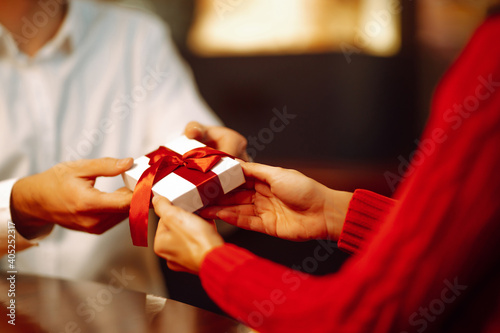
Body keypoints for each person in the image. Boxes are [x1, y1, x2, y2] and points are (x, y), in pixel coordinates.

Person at [152, 4, 500, 332]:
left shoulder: (491, 57)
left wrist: (212, 262)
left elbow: (358, 320)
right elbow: (461, 252)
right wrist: (334, 211)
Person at [0, 0, 246, 296]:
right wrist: (23, 203)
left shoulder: (138, 37)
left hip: (129, 317)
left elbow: (195, 149)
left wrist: (221, 173)